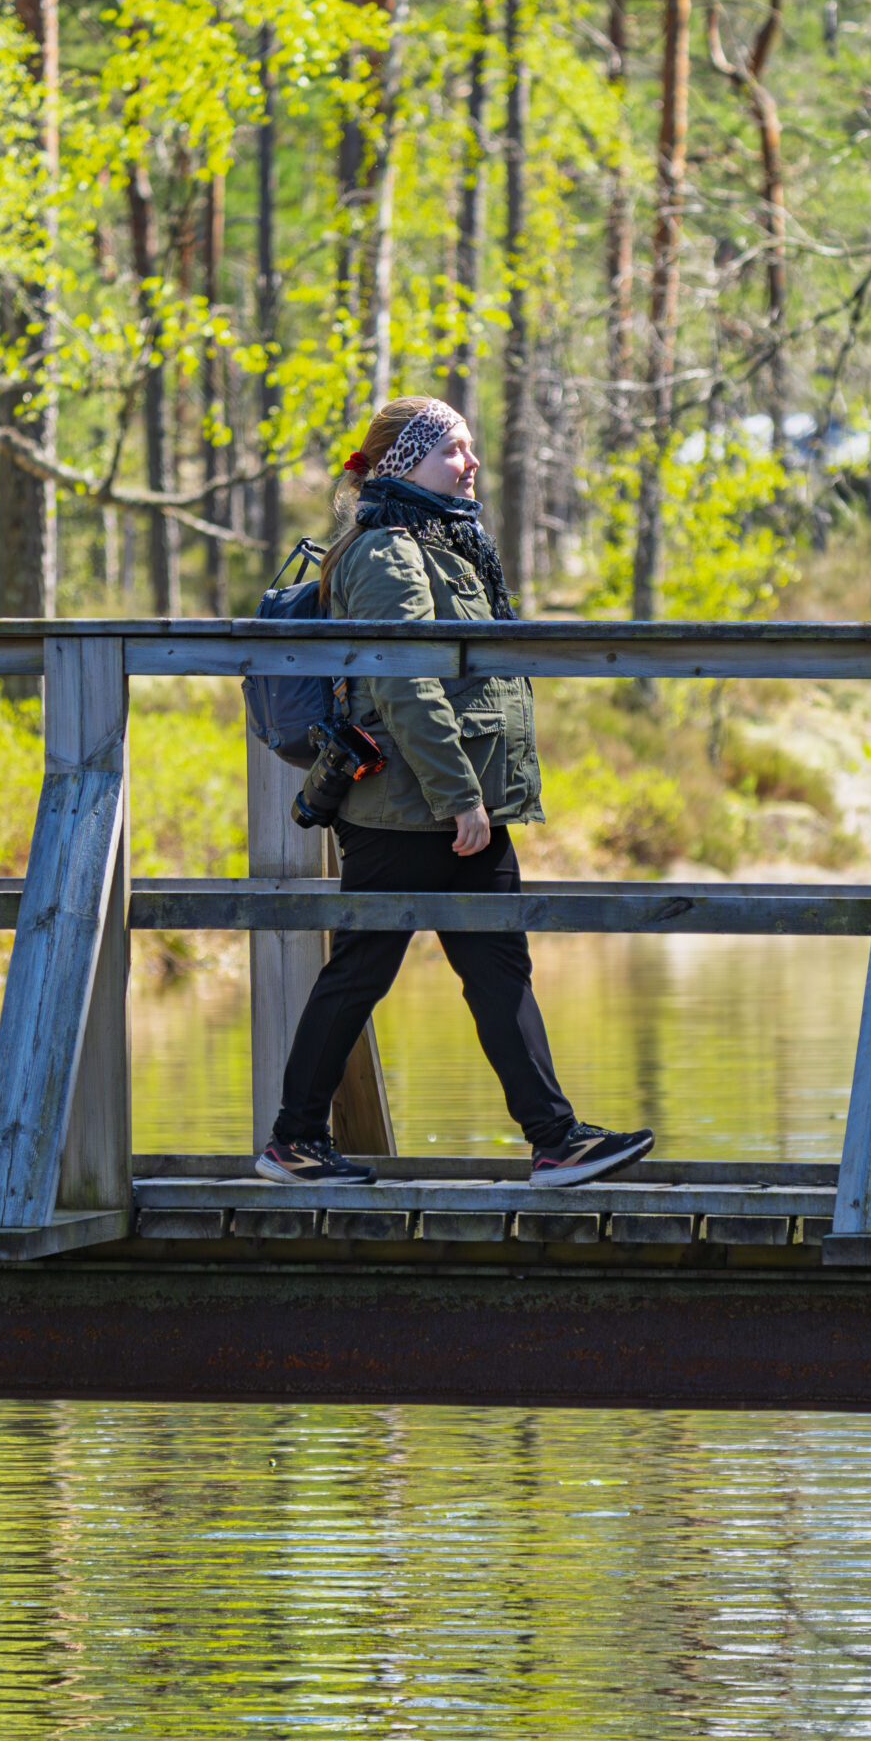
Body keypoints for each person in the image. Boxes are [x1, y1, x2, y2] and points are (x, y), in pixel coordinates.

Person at [256, 394, 655, 1187]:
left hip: (453, 803)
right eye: (454, 450)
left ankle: (555, 1139)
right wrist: (459, 798)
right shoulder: (386, 554)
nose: (472, 463)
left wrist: (470, 799)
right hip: (412, 809)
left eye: (471, 448)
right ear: (406, 464)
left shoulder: (440, 543)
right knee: (362, 971)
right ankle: (293, 1143)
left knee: (499, 968)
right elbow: (407, 685)